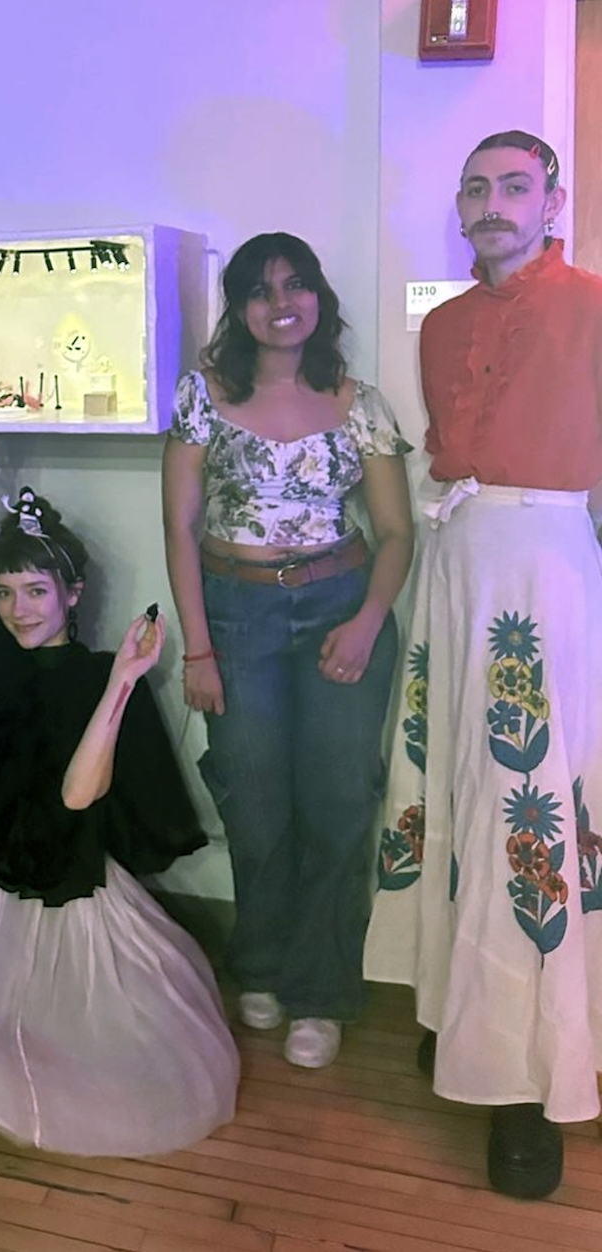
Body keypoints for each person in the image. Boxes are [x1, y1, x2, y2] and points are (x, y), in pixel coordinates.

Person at [0, 446, 239, 1158]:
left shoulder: (95, 675)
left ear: (73, 593)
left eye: (35, 591)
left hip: (72, 888)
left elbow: (77, 794)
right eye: (3, 592)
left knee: (118, 1069)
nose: (17, 610)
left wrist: (121, 681)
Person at [364, 131, 602, 1199]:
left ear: (554, 199)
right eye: (475, 187)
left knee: (529, 802)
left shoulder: (593, 306)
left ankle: (529, 1080)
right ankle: (456, 1004)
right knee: (453, 784)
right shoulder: (444, 323)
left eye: (514, 185)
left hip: (549, 572)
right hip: (455, 566)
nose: (492, 202)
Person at [161, 232, 414, 1070]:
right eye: (262, 289)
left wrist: (369, 619)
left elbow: (395, 532)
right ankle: (261, 965)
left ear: (319, 299)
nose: (281, 303)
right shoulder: (202, 397)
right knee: (255, 805)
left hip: (342, 609)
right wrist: (198, 650)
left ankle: (322, 991)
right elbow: (181, 527)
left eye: (296, 284)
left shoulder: (361, 403)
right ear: (239, 307)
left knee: (339, 803)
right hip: (236, 617)